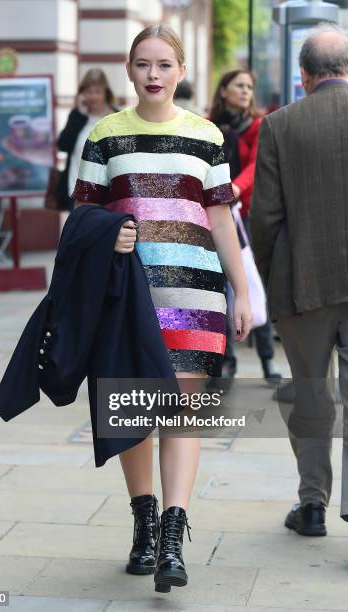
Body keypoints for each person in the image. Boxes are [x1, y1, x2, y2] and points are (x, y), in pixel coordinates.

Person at [72, 24, 252, 592]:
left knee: (181, 414)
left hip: (193, 298)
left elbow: (221, 219)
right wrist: (111, 237)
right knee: (134, 412)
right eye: (143, 64)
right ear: (129, 70)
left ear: (179, 72)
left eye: (164, 65)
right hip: (127, 297)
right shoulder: (105, 134)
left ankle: (173, 536)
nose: (153, 74)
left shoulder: (206, 136)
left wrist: (241, 291)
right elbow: (80, 220)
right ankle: (143, 522)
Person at [250, 23, 348, 538]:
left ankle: (312, 505)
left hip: (302, 284)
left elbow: (264, 217)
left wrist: (268, 278)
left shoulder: (279, 125)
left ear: (304, 75)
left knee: (311, 394)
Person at [209, 70, 282, 382]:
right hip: (213, 213)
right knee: (216, 288)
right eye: (239, 86)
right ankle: (224, 360)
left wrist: (233, 189)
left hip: (244, 215)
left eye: (250, 87)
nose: (245, 92)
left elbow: (255, 167)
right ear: (223, 90)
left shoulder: (257, 125)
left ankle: (267, 361)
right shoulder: (208, 125)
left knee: (250, 285)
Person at [56, 69, 117, 210]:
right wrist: (80, 115)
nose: (93, 97)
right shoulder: (77, 116)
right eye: (89, 92)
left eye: (97, 92)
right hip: (76, 190)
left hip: (108, 191)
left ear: (105, 93)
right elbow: (63, 145)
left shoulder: (116, 116)